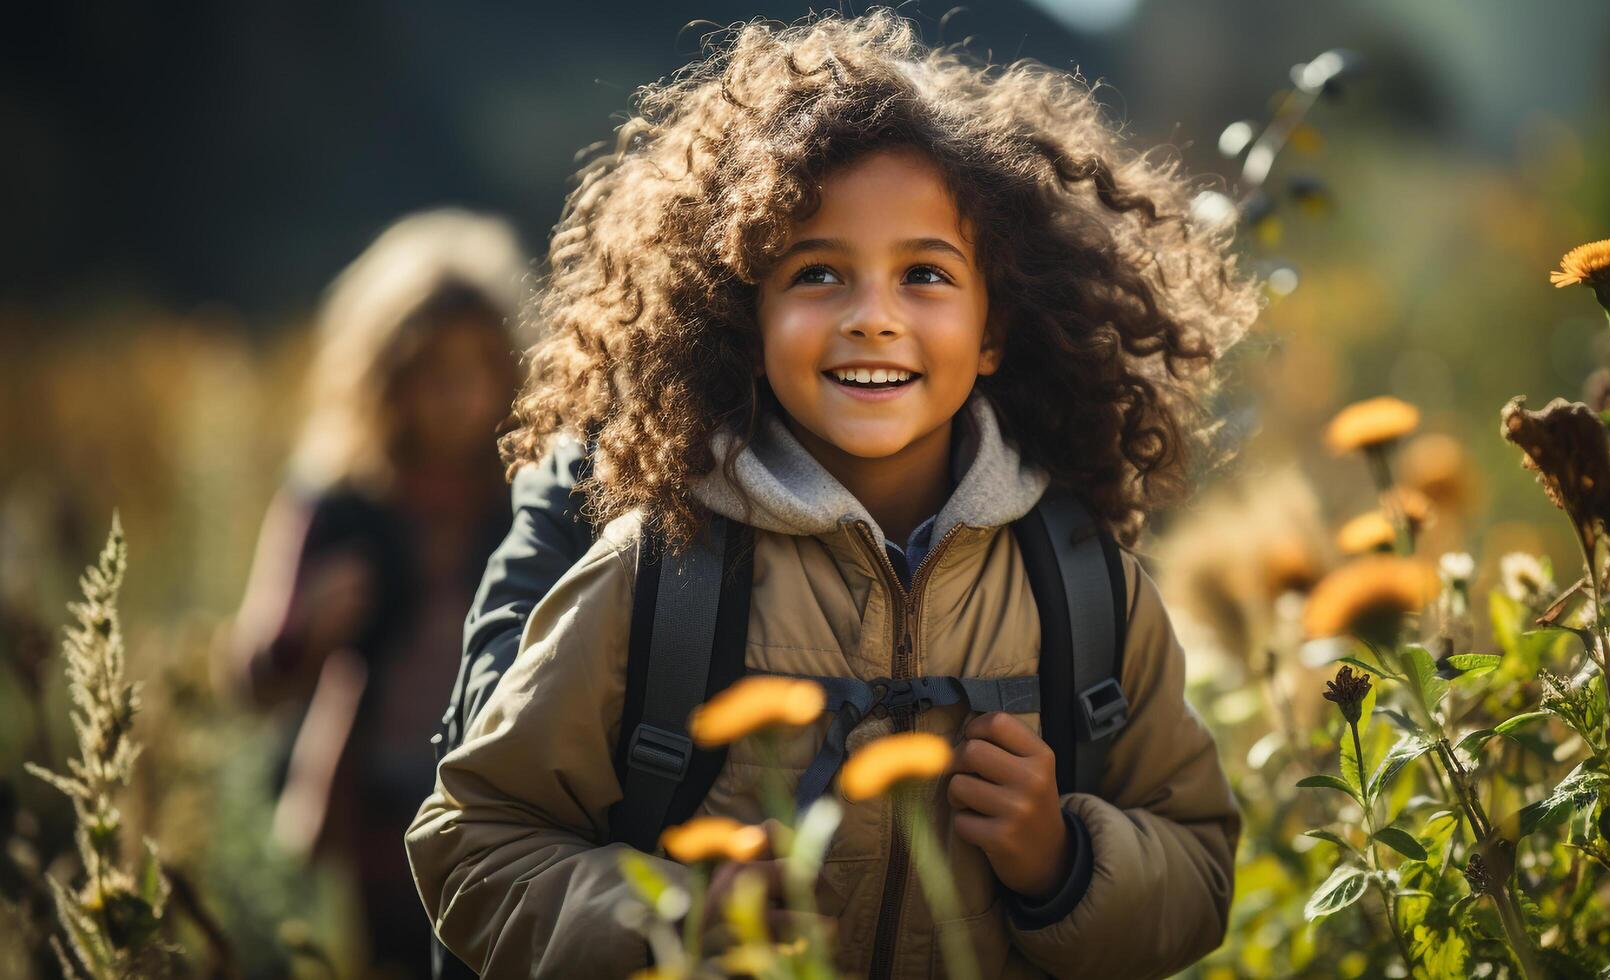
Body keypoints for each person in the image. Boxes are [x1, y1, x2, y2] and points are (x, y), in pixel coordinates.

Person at [407, 12, 1257, 978]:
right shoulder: (659, 568)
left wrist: (1061, 864)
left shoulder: (1082, 583)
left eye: (925, 274)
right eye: (817, 273)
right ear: (743, 317)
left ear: (993, 328)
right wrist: (678, 918)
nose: (872, 318)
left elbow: (1198, 866)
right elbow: (473, 846)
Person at [229, 209, 526, 976]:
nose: (458, 395)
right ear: (385, 375)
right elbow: (251, 675)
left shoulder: (527, 495)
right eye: (433, 370)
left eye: (478, 367)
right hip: (373, 805)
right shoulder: (338, 500)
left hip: (504, 803)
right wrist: (310, 631)